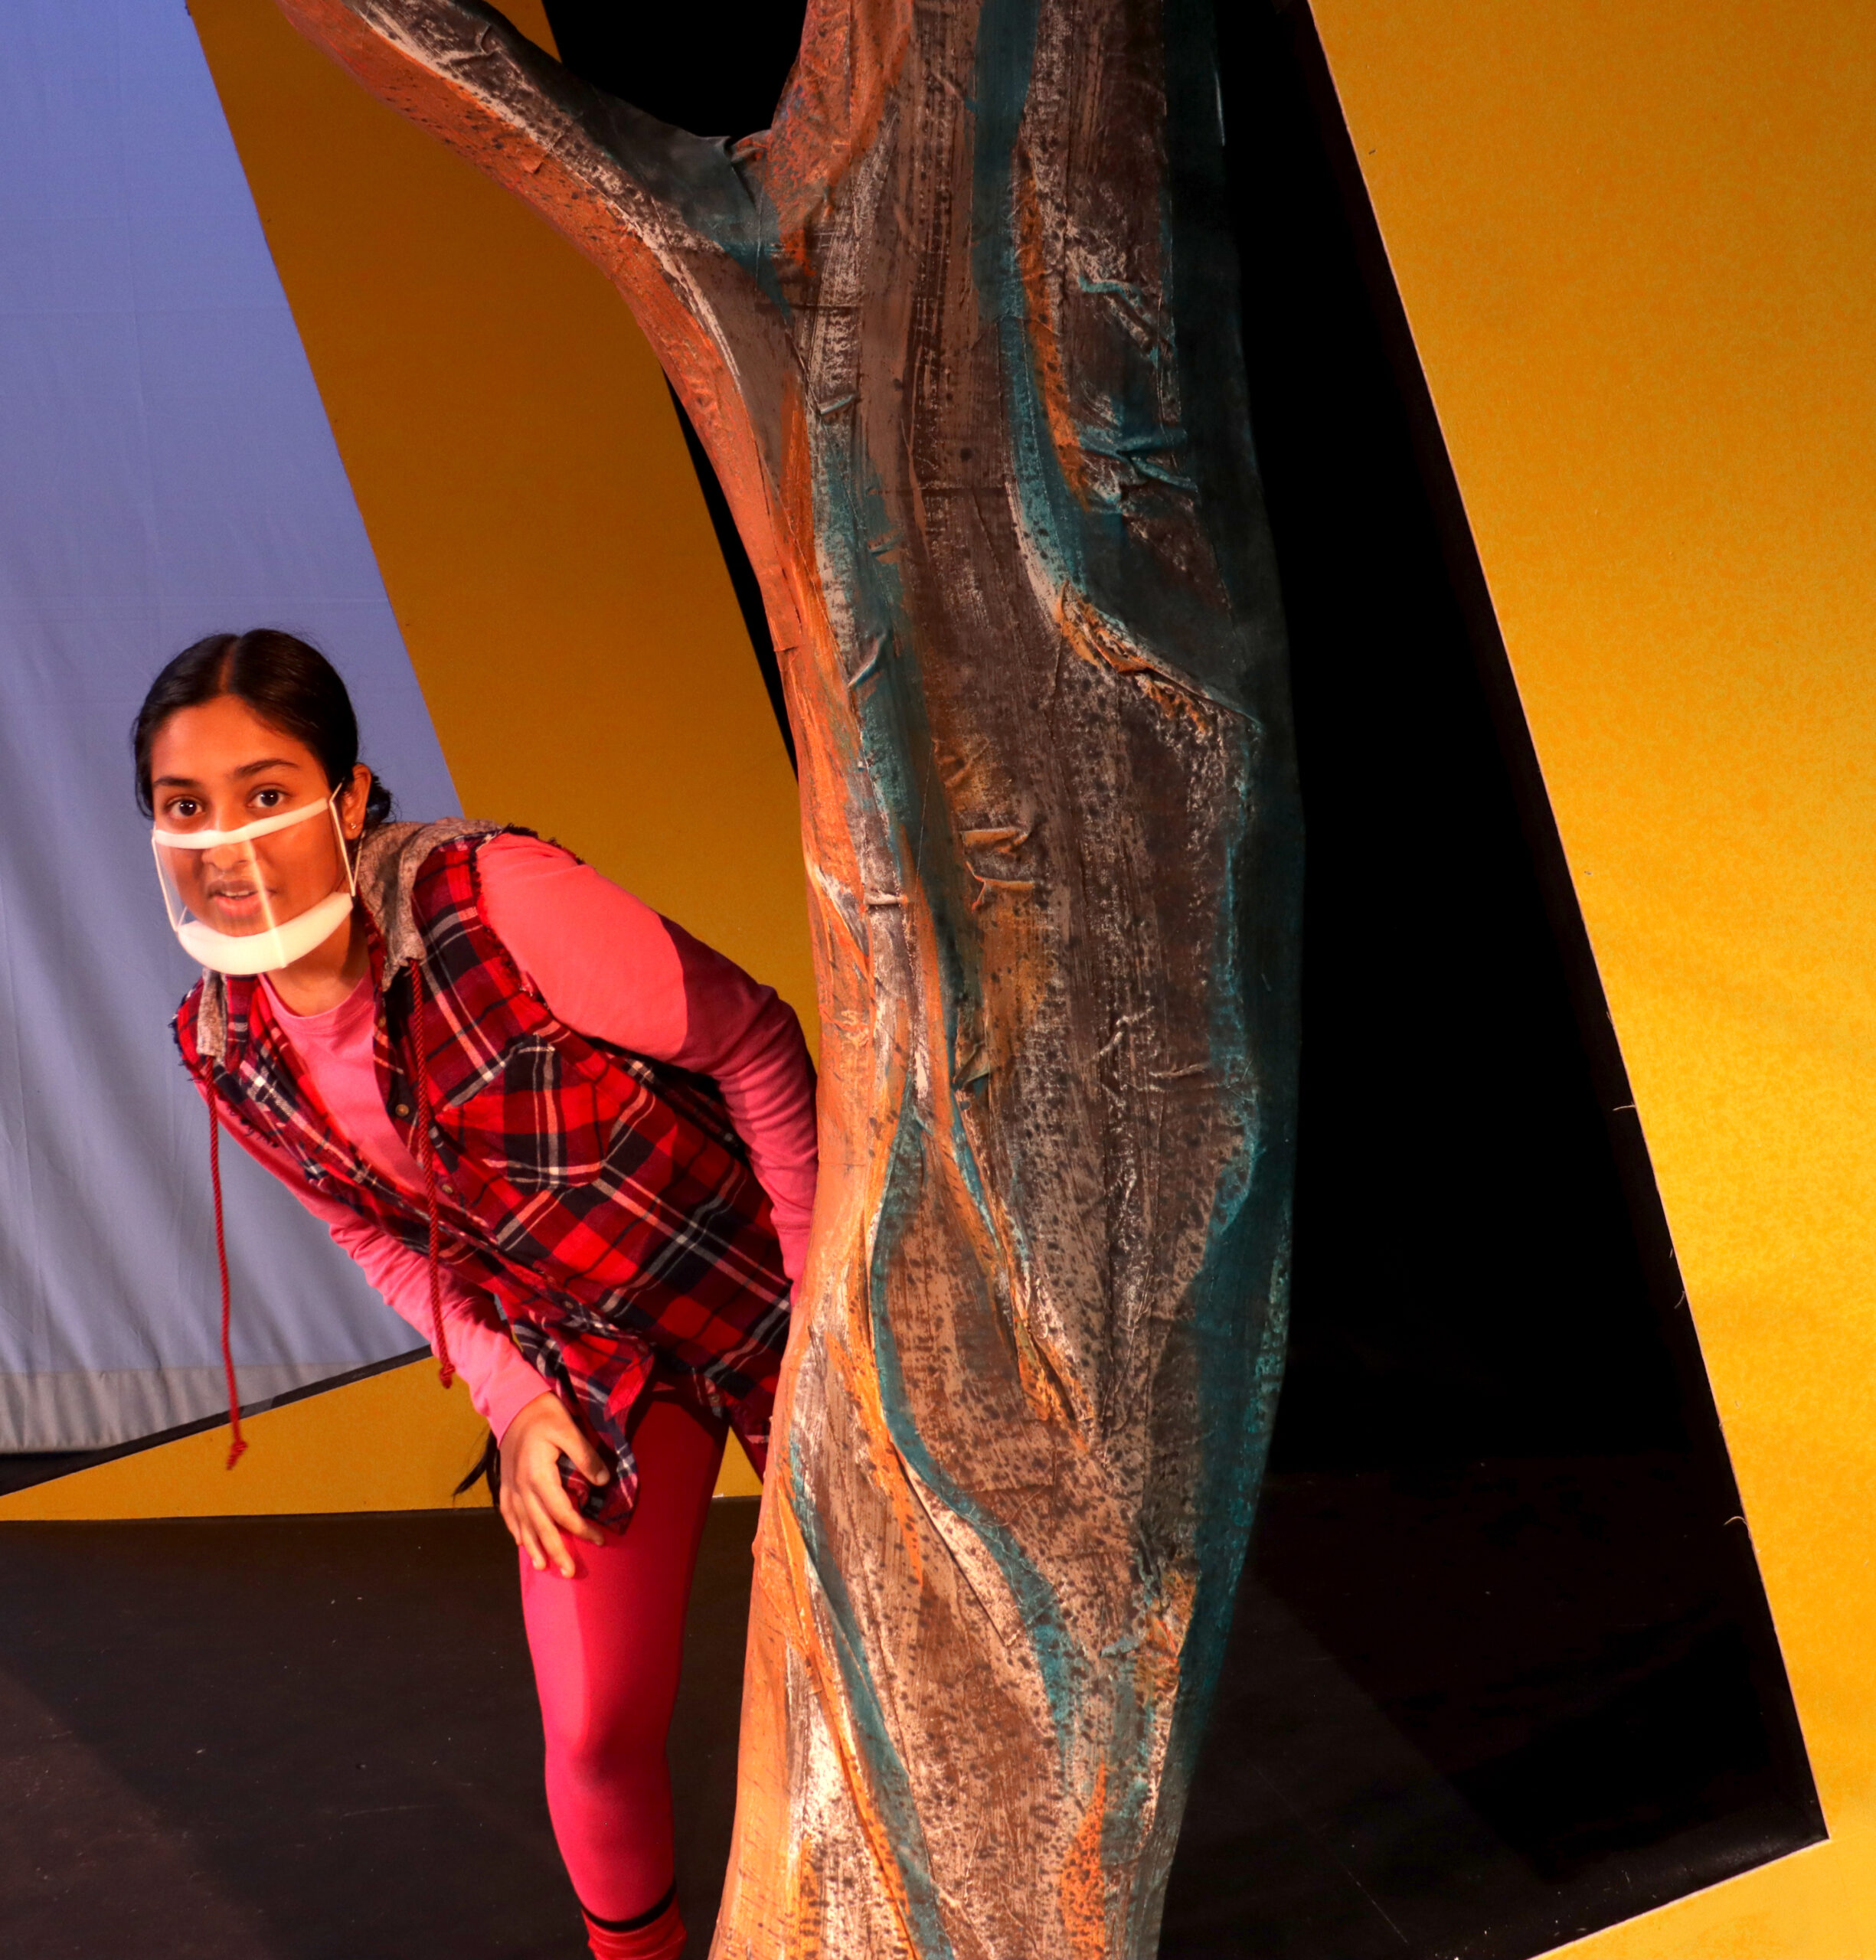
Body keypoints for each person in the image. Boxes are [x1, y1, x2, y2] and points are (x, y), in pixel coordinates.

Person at [135, 629, 816, 1960]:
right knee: (593, 1724)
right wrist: (513, 1404)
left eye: (265, 793)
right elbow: (381, 1244)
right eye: (185, 807)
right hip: (588, 1355)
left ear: (346, 799)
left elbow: (752, 1040)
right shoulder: (225, 1045)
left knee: (886, 1648)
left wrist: (828, 1318)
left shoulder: (489, 898)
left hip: (756, 1277)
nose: (225, 843)